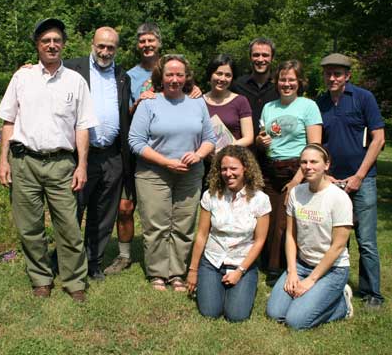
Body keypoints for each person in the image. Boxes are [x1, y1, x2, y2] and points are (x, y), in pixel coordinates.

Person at [0, 18, 98, 301]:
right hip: (24, 161)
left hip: (61, 164)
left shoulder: (76, 81)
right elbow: (8, 121)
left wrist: (82, 165)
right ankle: (41, 278)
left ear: (63, 45)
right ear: (37, 46)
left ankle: (75, 282)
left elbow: (82, 126)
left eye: (56, 40)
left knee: (68, 225)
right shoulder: (22, 78)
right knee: (29, 227)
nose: (51, 45)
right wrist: (3, 161)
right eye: (45, 41)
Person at [105, 23, 201, 275]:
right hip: (137, 150)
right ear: (138, 45)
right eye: (142, 41)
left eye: (151, 40)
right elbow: (123, 114)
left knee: (176, 213)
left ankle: (174, 263)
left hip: (172, 151)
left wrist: (197, 90)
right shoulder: (128, 76)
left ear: (159, 43)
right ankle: (125, 256)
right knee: (126, 207)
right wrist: (139, 102)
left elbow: (189, 100)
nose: (147, 45)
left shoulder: (174, 70)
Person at [129, 54, 216, 291]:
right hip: (153, 172)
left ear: (186, 77)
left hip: (190, 172)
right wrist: (166, 162)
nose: (174, 79)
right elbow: (135, 141)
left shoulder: (197, 102)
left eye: (179, 74)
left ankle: (177, 272)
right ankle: (158, 272)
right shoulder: (149, 103)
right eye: (170, 74)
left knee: (183, 224)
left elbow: (209, 138)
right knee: (156, 224)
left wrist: (198, 154)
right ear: (161, 76)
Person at [63, 27, 133, 281]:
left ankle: (94, 262)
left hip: (113, 154)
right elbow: (44, 70)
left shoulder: (122, 75)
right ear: (92, 44)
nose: (105, 52)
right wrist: (28, 67)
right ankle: (68, 262)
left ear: (117, 49)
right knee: (73, 210)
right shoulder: (71, 68)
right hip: (81, 154)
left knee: (103, 213)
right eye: (101, 46)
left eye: (110, 47)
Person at [316, 53, 386, 310]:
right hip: (331, 182)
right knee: (336, 240)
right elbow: (316, 142)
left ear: (347, 76)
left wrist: (359, 176)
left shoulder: (363, 98)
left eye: (337, 73)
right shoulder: (320, 103)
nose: (332, 78)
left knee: (365, 240)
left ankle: (372, 294)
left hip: (362, 179)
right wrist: (325, 175)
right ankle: (335, 287)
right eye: (328, 73)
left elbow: (378, 139)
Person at [266, 143, 354, 330]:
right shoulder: (296, 192)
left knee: (296, 321)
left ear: (326, 165)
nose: (308, 166)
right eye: (304, 162)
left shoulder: (339, 198)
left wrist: (311, 280)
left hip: (332, 270)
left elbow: (338, 246)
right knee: (275, 313)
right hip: (302, 264)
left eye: (314, 162)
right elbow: (290, 235)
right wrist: (292, 271)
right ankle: (315, 298)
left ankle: (342, 304)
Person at [256, 60, 322, 284]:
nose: (286, 84)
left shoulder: (308, 106)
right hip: (270, 169)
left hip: (297, 169)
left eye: (291, 80)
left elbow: (315, 147)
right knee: (268, 217)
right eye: (283, 79)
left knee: (285, 221)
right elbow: (264, 137)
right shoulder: (269, 107)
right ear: (277, 81)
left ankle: (278, 269)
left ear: (300, 82)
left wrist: (297, 179)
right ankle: (264, 262)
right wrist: (261, 140)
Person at [187, 145, 271, 322]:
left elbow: (259, 241)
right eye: (224, 169)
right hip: (212, 260)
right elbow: (201, 235)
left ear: (245, 169)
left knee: (236, 316)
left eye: (234, 168)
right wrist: (193, 270)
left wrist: (240, 271)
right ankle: (213, 285)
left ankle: (241, 286)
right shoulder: (211, 195)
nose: (228, 173)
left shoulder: (260, 199)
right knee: (210, 313)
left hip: (242, 262)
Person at [203, 54, 254, 148]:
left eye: (228, 75)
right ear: (210, 74)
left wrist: (223, 150)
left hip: (232, 158)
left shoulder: (240, 101)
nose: (222, 79)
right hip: (204, 159)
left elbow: (248, 138)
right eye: (219, 73)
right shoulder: (199, 102)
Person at [232, 37, 278, 139]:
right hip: (243, 149)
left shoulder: (279, 86)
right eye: (256, 55)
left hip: (273, 149)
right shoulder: (237, 85)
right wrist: (194, 89)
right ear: (250, 57)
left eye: (265, 55)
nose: (260, 59)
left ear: (272, 58)